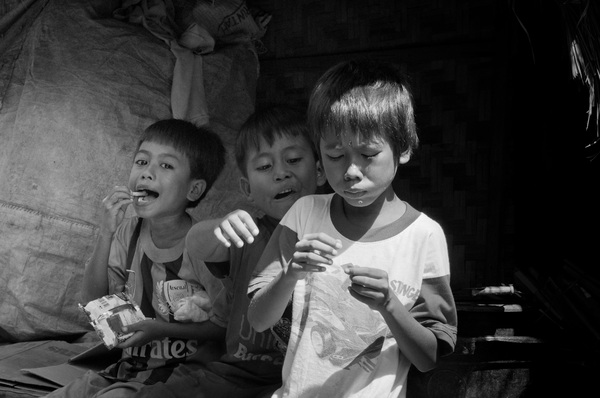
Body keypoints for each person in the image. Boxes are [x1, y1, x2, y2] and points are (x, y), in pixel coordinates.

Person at [247, 59, 458, 398]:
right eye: (334, 155)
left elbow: (429, 357)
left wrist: (389, 304)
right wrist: (290, 273)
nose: (351, 171)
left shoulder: (424, 235)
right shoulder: (305, 215)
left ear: (403, 148)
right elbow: (258, 319)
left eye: (368, 153)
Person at [129, 105, 328, 398]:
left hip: (306, 380)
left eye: (294, 160)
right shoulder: (246, 235)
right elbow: (196, 242)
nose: (281, 173)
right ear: (246, 189)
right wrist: (223, 224)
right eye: (264, 166)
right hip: (237, 375)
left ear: (320, 170)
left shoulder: (336, 233)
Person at [45, 119, 227, 397]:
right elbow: (94, 303)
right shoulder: (127, 232)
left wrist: (161, 330)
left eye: (165, 166)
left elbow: (224, 327)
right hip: (128, 369)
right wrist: (106, 234)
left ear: (193, 190)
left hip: (185, 376)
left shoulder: (202, 245)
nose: (147, 173)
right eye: (142, 162)